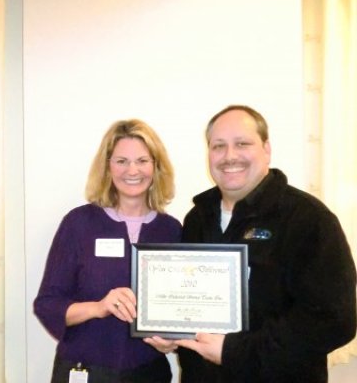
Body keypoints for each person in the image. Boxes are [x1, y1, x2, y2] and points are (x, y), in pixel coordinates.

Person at [174, 105, 356, 382]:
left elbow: (334, 320)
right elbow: (190, 299)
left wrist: (235, 351)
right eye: (218, 146)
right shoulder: (197, 218)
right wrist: (173, 334)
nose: (229, 156)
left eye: (242, 143)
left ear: (266, 149)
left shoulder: (307, 218)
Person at [34, 119, 181, 383]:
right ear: (107, 167)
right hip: (86, 370)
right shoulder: (79, 224)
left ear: (156, 167)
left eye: (143, 161)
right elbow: (47, 305)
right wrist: (98, 307)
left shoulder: (171, 230)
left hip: (148, 373)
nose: (132, 170)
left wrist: (172, 340)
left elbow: (181, 307)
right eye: (121, 161)